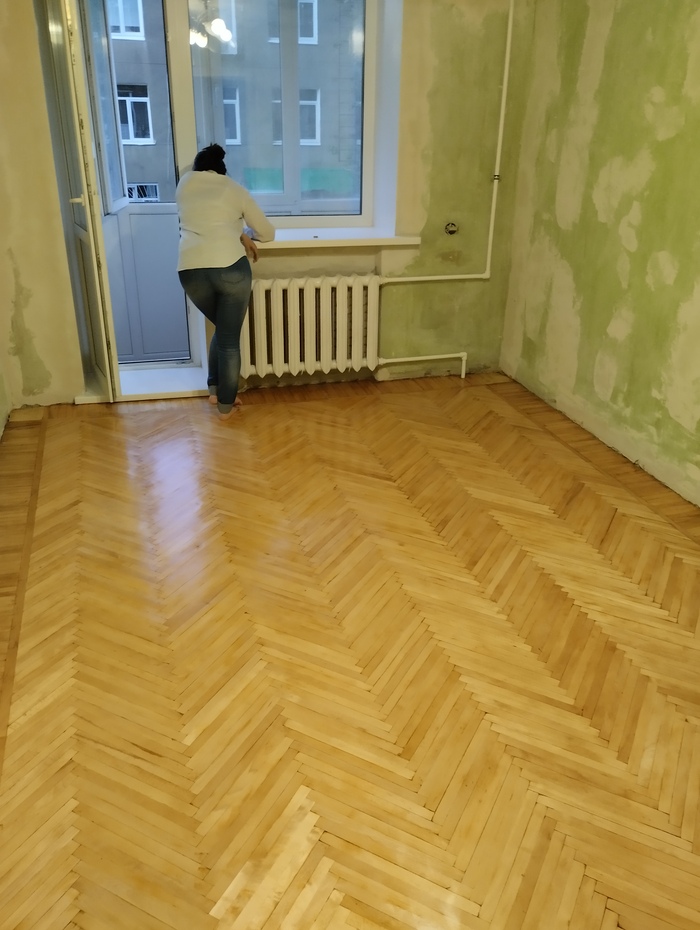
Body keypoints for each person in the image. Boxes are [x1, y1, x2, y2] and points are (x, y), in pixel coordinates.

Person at [176, 143, 275, 420]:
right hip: (230, 269)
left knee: (222, 329)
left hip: (190, 271)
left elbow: (207, 218)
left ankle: (214, 391)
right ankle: (226, 406)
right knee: (229, 341)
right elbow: (267, 233)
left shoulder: (184, 185)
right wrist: (246, 234)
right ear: (222, 170)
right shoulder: (234, 189)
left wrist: (238, 232)